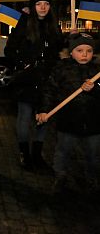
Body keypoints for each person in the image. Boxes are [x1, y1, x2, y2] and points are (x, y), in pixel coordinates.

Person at [4, 0, 64, 171]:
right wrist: (23, 64)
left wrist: (70, 38)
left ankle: (37, 154)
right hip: (28, 79)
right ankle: (25, 154)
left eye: (46, 4)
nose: (43, 7)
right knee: (24, 117)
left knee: (44, 116)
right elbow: (9, 50)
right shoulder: (24, 24)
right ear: (33, 6)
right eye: (38, 4)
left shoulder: (53, 25)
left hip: (46, 79)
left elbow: (58, 49)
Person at [36, 33, 100, 194]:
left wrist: (95, 89)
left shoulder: (97, 71)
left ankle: (92, 178)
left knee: (93, 154)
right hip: (68, 119)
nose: (84, 54)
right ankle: (60, 176)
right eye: (79, 50)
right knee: (63, 151)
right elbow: (49, 91)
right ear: (71, 52)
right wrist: (43, 110)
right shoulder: (61, 69)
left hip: (93, 122)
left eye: (89, 50)